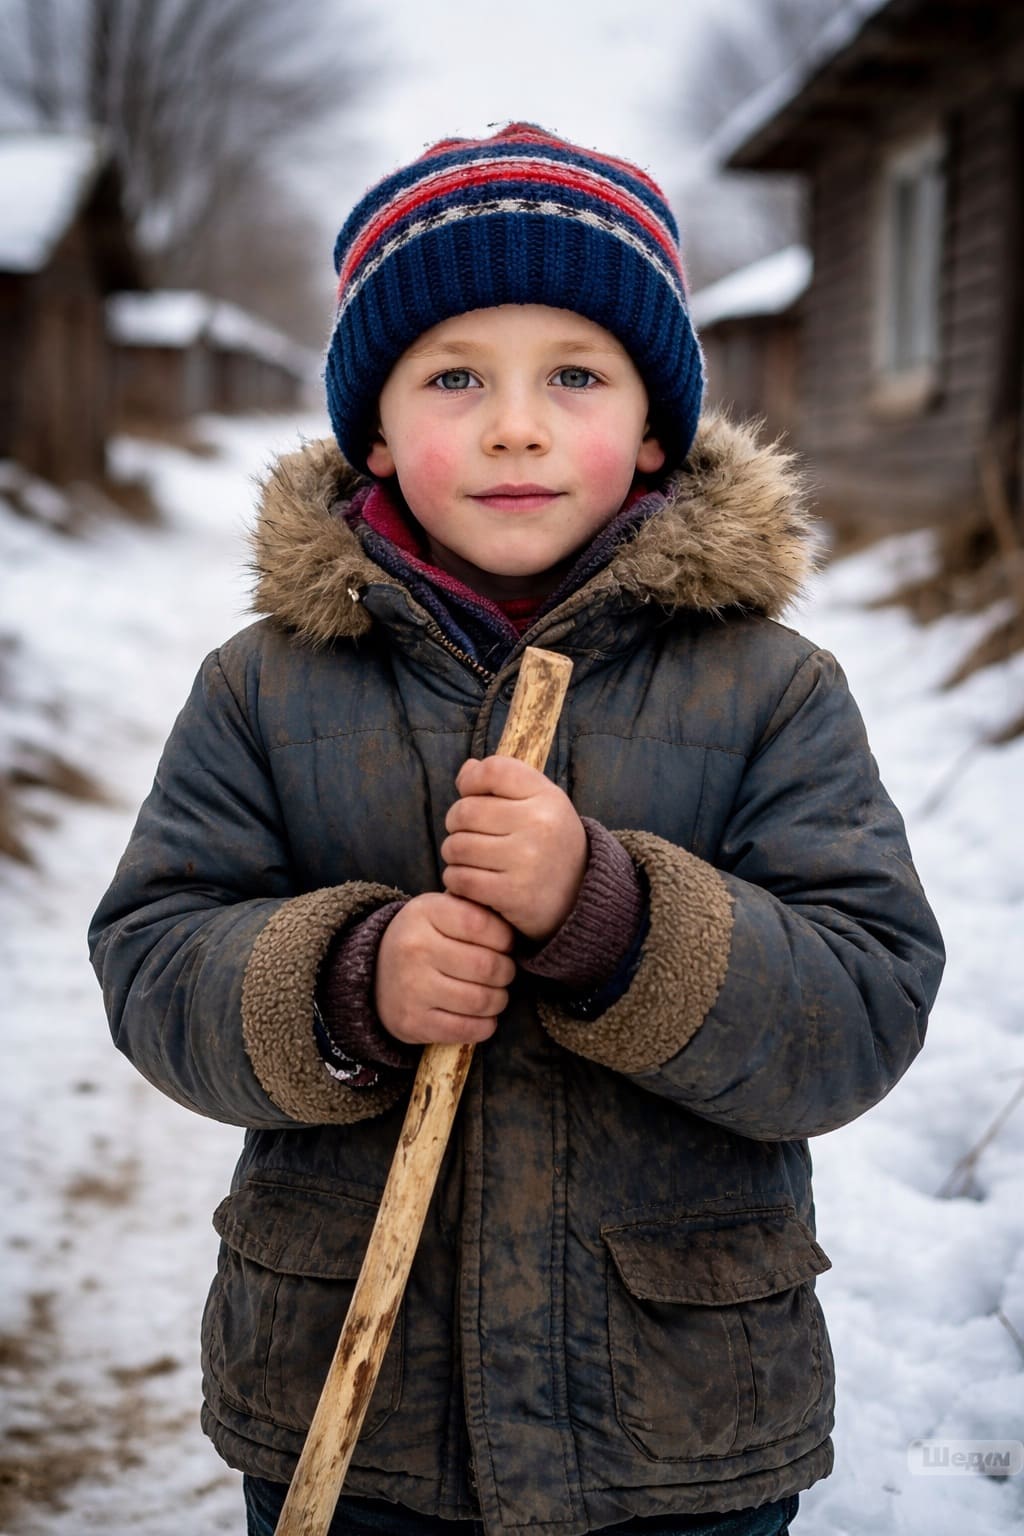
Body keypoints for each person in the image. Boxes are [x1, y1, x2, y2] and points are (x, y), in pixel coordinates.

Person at [89, 123, 944, 1536]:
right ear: (372, 426)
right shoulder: (268, 684)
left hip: (673, 1431)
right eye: (455, 376)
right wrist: (345, 982)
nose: (515, 423)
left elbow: (860, 1007)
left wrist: (615, 919)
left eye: (575, 374)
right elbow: (154, 962)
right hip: (355, 1426)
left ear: (656, 425)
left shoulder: (769, 689)